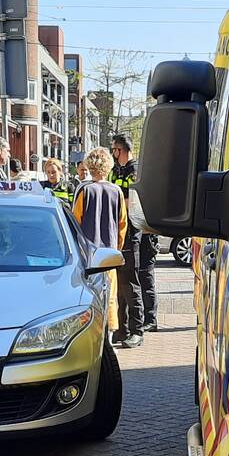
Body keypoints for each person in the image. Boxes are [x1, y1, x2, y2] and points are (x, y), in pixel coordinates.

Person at [72, 147, 127, 340]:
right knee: (110, 297)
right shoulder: (116, 191)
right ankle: (110, 335)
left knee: (88, 296)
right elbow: (122, 224)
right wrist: (117, 248)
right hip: (109, 253)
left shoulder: (85, 190)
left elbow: (76, 222)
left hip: (88, 255)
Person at [110, 133, 158, 340]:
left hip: (132, 231)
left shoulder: (134, 170)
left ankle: (137, 328)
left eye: (114, 149)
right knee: (121, 283)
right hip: (118, 231)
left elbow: (131, 201)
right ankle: (122, 329)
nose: (112, 152)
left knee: (132, 280)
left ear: (121, 150)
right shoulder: (115, 171)